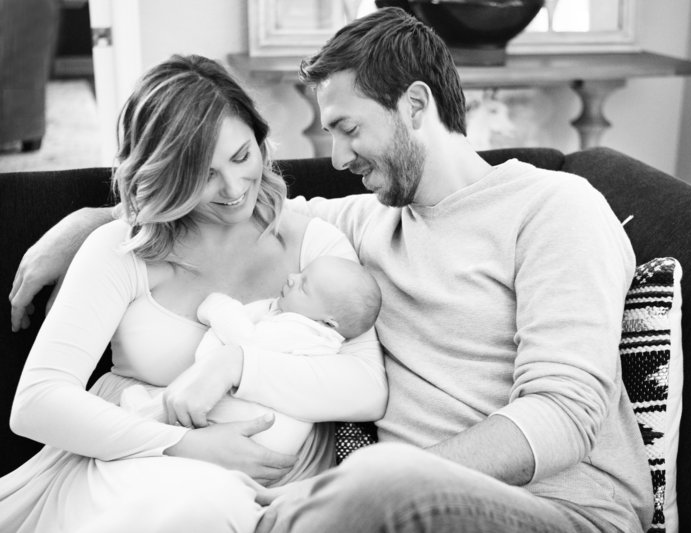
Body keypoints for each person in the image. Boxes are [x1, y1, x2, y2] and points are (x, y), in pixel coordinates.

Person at [9, 8, 654, 533]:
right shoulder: (366, 222)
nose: (336, 155)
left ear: (415, 105)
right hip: (389, 502)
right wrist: (87, 222)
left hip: (559, 510)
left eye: (347, 128)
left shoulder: (553, 209)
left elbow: (564, 414)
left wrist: (374, 484)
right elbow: (218, 208)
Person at [0, 54, 386, 533]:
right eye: (202, 174)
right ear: (166, 174)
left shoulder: (313, 247)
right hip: (136, 464)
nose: (232, 189)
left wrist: (236, 365)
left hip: (283, 480)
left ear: (260, 138)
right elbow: (37, 401)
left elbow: (368, 389)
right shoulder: (124, 252)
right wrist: (181, 444)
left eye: (242, 156)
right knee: (204, 504)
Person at [121, 255, 382, 473]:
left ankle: (142, 415)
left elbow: (247, 340)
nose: (292, 277)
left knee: (190, 404)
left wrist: (219, 307)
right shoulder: (312, 329)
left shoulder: (303, 331)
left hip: (262, 429)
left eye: (304, 286)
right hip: (271, 439)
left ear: (329, 322)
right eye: (301, 273)